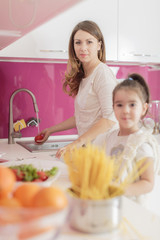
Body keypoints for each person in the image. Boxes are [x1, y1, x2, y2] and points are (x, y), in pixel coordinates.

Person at [37, 20, 118, 158]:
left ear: (99, 45)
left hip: (105, 152)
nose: (83, 48)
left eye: (89, 42)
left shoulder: (102, 73)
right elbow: (81, 117)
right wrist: (51, 130)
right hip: (90, 151)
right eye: (78, 42)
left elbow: (110, 119)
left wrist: (77, 143)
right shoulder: (86, 75)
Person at [93, 73, 160, 208]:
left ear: (144, 108)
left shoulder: (142, 143)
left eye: (132, 104)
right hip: (112, 204)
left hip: (133, 207)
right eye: (119, 105)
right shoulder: (109, 137)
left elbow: (147, 183)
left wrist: (119, 189)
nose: (125, 110)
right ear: (113, 107)